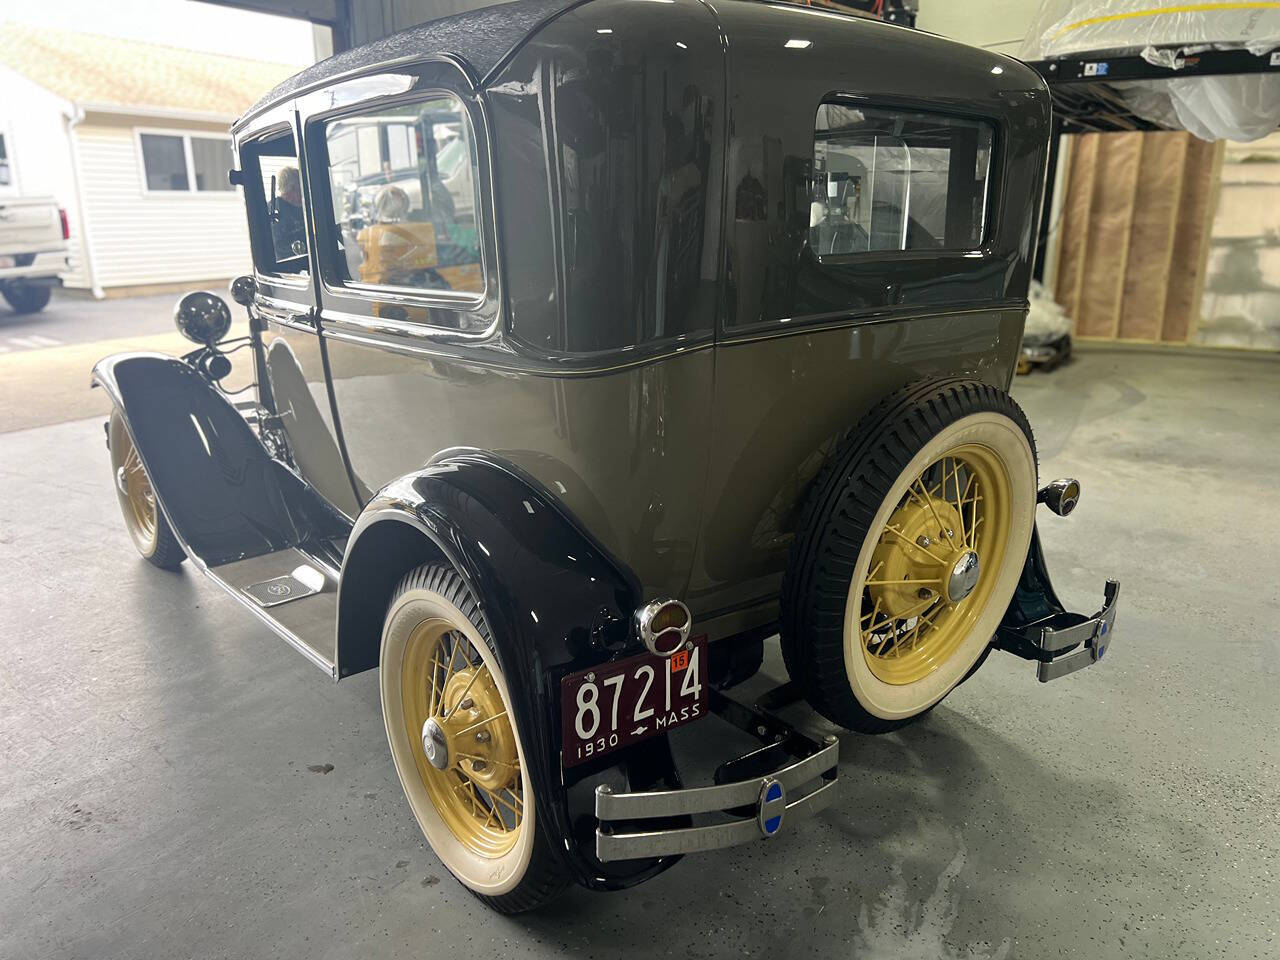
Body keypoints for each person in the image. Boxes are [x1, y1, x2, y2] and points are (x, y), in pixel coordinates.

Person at [271, 165, 306, 259]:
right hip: (286, 267)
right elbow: (277, 246)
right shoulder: (273, 209)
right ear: (291, 188)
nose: (302, 192)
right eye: (300, 187)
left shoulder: (307, 207)